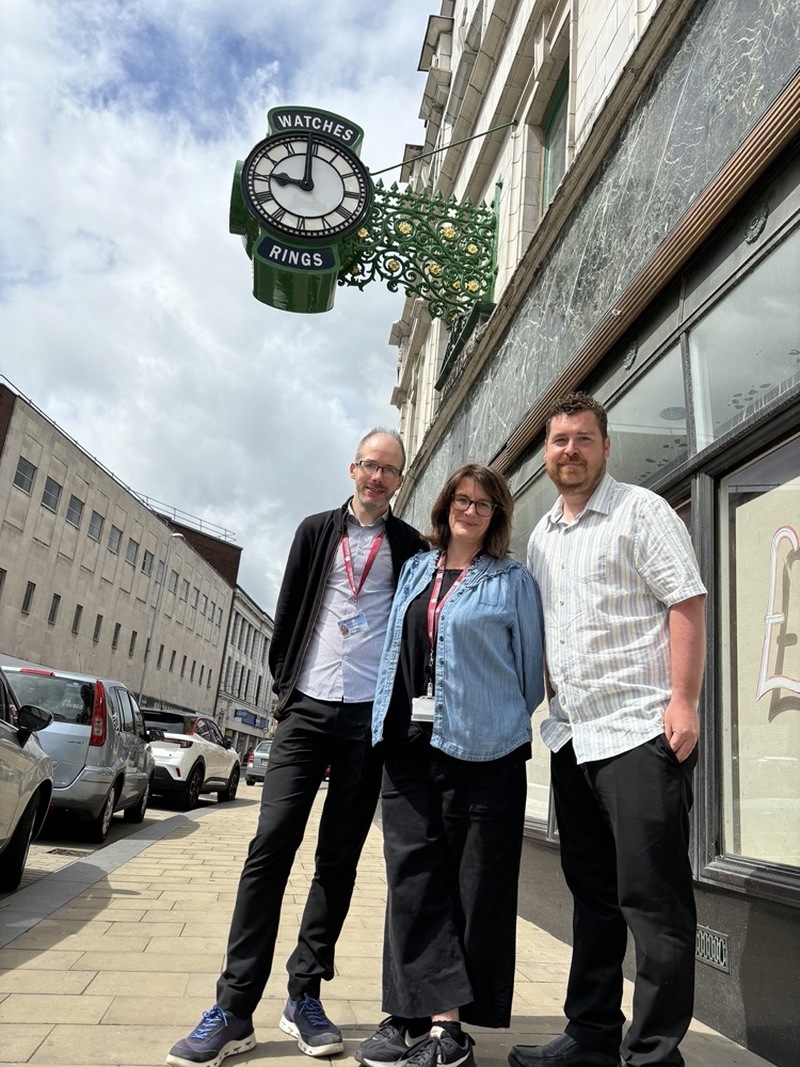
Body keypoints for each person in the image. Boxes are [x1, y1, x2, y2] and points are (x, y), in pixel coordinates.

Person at [167, 429, 426, 1067]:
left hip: (369, 718)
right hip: (308, 709)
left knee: (337, 859)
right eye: (368, 466)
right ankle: (232, 1008)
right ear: (352, 468)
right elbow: (287, 613)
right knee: (270, 845)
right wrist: (285, 694)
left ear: (399, 480)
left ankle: (303, 993)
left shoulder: (409, 546)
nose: (376, 478)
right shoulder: (316, 531)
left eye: (388, 470)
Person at [508, 393, 707, 1067]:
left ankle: (652, 1053)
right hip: (572, 739)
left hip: (638, 734)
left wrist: (684, 699)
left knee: (653, 904)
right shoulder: (540, 538)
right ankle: (591, 1034)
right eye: (559, 439)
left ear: (605, 445)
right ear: (546, 453)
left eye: (582, 438)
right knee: (594, 901)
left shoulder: (640, 511)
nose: (569, 449)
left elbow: (686, 599)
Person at [356, 464, 545, 1067]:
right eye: (461, 500)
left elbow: (530, 673)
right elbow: (394, 650)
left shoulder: (512, 580)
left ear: (496, 516)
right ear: (445, 507)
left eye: (483, 504)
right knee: (412, 883)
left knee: (474, 886)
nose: (470, 510)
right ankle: (405, 1014)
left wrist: (485, 715)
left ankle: (449, 1027)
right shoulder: (415, 569)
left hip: (484, 751)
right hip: (407, 749)